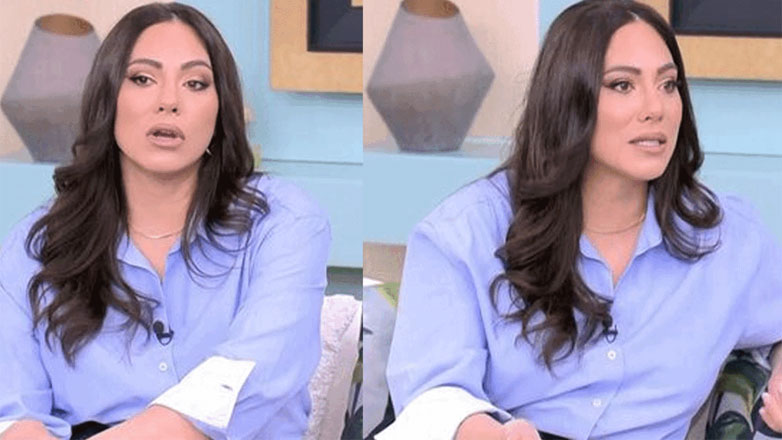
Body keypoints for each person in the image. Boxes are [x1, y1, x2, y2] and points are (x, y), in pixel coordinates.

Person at [377, 1, 782, 439]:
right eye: (623, 85)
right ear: (567, 98)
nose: (656, 108)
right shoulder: (463, 234)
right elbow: (431, 396)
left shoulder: (727, 239)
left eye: (668, 84)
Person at [0, 3, 329, 439]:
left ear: (220, 109)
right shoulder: (35, 245)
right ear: (108, 98)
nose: (169, 102)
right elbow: (14, 411)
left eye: (195, 83)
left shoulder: (284, 222)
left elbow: (254, 373)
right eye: (142, 79)